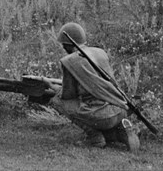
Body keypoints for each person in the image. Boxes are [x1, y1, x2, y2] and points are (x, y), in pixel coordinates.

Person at [45, 22, 140, 152]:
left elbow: (68, 95)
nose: (62, 47)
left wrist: (51, 86)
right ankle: (119, 131)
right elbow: (96, 82)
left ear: (67, 44)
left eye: (63, 44)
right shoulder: (100, 52)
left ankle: (95, 137)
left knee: (57, 101)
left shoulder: (70, 61)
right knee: (101, 106)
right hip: (120, 108)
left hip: (102, 117)